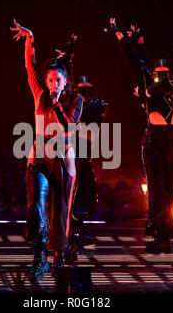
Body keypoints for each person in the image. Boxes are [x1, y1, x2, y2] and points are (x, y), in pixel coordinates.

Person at [105, 18, 173, 254]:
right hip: (153, 138)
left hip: (172, 138)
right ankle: (161, 231)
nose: (161, 76)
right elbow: (135, 61)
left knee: (171, 187)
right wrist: (126, 38)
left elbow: (151, 75)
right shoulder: (149, 82)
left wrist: (148, 87)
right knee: (156, 186)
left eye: (164, 73)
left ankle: (167, 228)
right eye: (158, 73)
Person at [11, 19, 83, 281]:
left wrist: (57, 105)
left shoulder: (76, 100)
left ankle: (59, 258)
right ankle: (38, 255)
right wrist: (30, 38)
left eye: (58, 80)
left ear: (65, 82)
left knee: (60, 210)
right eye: (50, 79)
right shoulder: (40, 92)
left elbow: (70, 125)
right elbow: (29, 65)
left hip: (64, 158)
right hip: (39, 156)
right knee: (37, 206)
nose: (53, 83)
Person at [67, 75, 107, 261]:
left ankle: (79, 226)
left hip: (84, 156)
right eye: (80, 90)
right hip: (70, 154)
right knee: (72, 191)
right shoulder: (70, 105)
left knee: (86, 190)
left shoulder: (96, 105)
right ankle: (73, 230)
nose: (84, 94)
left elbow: (91, 128)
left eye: (87, 90)